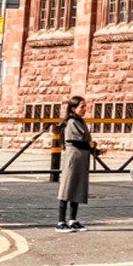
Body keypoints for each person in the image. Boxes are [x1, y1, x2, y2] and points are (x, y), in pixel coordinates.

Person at [56, 96, 97, 231]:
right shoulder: (71, 121)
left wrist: (95, 149)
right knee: (67, 188)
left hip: (82, 159)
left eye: (85, 106)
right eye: (82, 106)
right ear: (74, 108)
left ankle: (73, 219)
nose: (85, 109)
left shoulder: (81, 121)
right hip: (73, 158)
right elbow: (72, 140)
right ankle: (61, 222)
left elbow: (85, 140)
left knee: (77, 188)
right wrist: (88, 144)